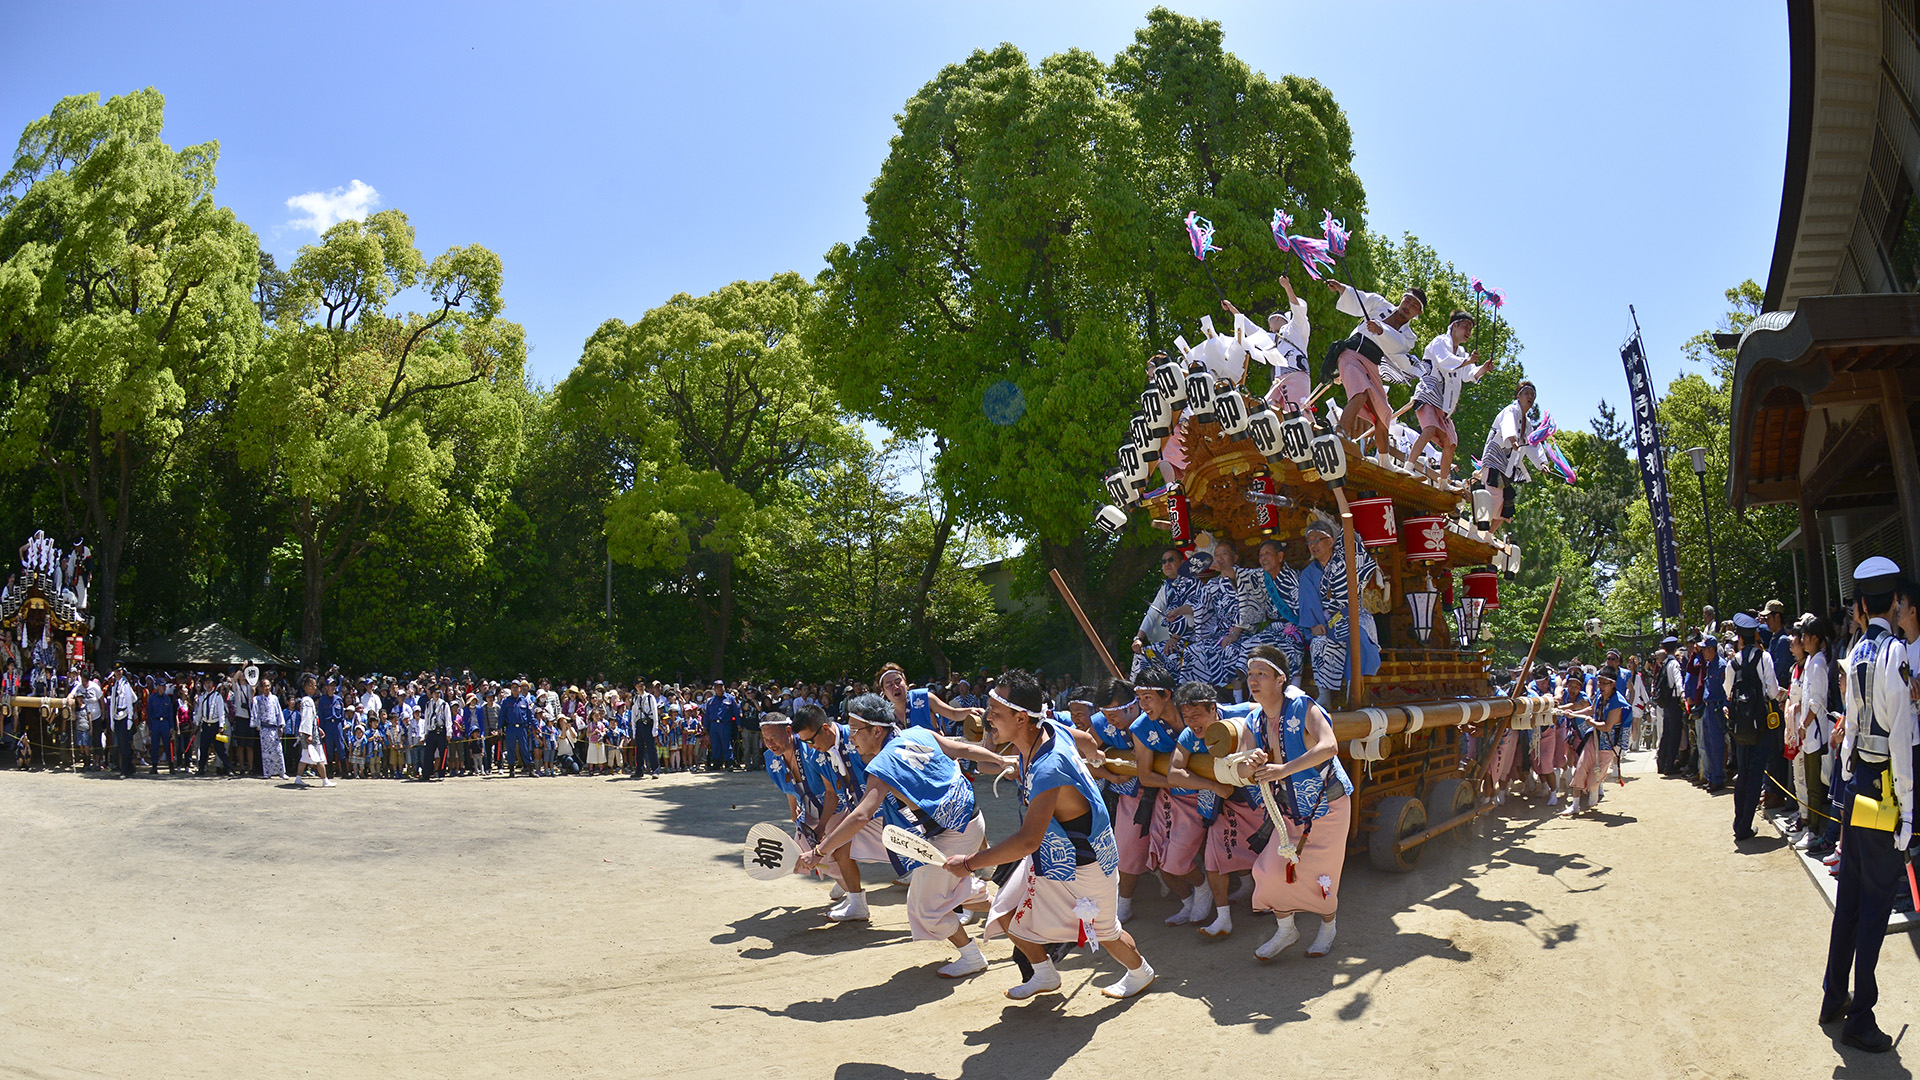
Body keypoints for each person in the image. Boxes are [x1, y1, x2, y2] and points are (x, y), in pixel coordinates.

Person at [962, 669, 1156, 1001]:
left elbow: (1027, 840)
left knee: (1105, 932)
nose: (987, 719)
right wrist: (1092, 754)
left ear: (1021, 717)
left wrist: (969, 863)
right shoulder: (1048, 729)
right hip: (1054, 858)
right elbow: (1085, 741)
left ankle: (1141, 972)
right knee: (1006, 913)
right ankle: (1045, 974)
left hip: (1086, 864)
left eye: (994, 713)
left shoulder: (1049, 767)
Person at [796, 694, 1004, 978]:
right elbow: (962, 750)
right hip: (969, 819)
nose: (852, 737)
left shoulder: (882, 765)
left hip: (951, 833)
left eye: (856, 730)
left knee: (924, 908)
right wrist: (1004, 760)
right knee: (948, 889)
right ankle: (1017, 914)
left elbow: (860, 815)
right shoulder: (917, 733)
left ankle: (973, 955)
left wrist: (819, 852)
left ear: (876, 730)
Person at [1821, 557, 1916, 1053]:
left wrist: (1845, 783)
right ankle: (1861, 1015)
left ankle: (1834, 995)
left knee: (1852, 898)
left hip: (1857, 785)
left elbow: (1850, 732)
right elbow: (1900, 737)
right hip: (1882, 791)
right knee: (1877, 903)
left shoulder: (1854, 652)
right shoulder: (1894, 653)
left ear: (1859, 607)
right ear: (1894, 603)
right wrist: (1909, 812)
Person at [1236, 643, 1351, 960]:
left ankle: (1328, 927)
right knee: (1268, 871)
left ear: (1280, 679)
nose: (1254, 680)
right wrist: (1253, 762)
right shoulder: (1253, 720)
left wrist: (1282, 769)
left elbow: (1329, 746)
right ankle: (1286, 929)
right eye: (1250, 674)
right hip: (1288, 813)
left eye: (1262, 673)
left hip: (1326, 807)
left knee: (1321, 878)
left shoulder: (1304, 706)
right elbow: (1243, 768)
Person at [1167, 681, 1265, 941]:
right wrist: (1212, 784)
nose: (1191, 722)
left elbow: (1271, 706)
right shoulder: (1189, 736)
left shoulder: (1243, 713)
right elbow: (1174, 773)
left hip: (1258, 800)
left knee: (1270, 856)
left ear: (1213, 708)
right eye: (1186, 717)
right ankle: (1223, 919)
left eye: (1196, 714)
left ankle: (1279, 905)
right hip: (1221, 803)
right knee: (1213, 859)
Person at [791, 704, 884, 919]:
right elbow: (831, 793)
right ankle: (857, 905)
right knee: (841, 852)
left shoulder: (858, 738)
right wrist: (822, 826)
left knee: (920, 857)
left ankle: (968, 897)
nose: (810, 747)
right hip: (859, 814)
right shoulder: (817, 758)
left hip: (886, 809)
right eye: (804, 743)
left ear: (825, 728)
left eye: (810, 741)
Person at [1321, 280, 1425, 460]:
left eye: (1415, 305)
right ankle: (1339, 434)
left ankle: (1384, 462)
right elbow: (1360, 298)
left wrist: (1381, 330)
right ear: (1402, 299)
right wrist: (1342, 288)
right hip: (1351, 354)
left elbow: (1398, 346)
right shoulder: (1380, 304)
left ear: (1418, 313)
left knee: (1384, 414)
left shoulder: (1409, 336)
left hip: (1371, 365)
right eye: (1407, 300)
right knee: (1360, 395)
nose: (1409, 306)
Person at [1295, 518, 1381, 707]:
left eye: (1317, 540)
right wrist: (1314, 626)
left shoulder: (1346, 561)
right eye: (1309, 542)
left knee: (1357, 637)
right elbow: (1309, 601)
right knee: (1319, 643)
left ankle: (1354, 687)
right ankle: (1324, 694)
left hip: (1354, 615)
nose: (1313, 545)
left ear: (1330, 542)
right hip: (1327, 623)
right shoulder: (1309, 573)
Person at [1406, 311, 1490, 486]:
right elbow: (1445, 361)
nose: (1468, 331)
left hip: (1445, 403)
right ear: (1455, 325)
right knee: (1429, 430)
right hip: (1429, 391)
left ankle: (1443, 482)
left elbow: (1469, 375)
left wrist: (1483, 368)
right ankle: (1408, 466)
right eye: (1465, 326)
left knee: (1450, 443)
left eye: (1470, 329)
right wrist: (1467, 361)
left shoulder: (1461, 352)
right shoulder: (1440, 341)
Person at [1723, 613, 1781, 841]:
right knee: (1756, 774)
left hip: (1739, 726)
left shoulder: (1733, 661)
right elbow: (1773, 691)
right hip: (1761, 724)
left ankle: (1739, 822)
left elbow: (1728, 690)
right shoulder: (1764, 657)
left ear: (1739, 637)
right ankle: (1745, 826)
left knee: (1743, 773)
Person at [1558, 667, 1629, 816]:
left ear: (1613, 684)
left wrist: (1592, 723)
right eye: (1600, 682)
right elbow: (1592, 709)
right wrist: (1574, 714)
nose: (1601, 686)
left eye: (1604, 683)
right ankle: (1575, 804)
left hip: (1607, 744)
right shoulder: (1599, 694)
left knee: (1594, 778)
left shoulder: (1617, 702)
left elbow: (1607, 726)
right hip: (1593, 738)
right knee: (1580, 767)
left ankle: (1594, 791)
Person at [1477, 380, 1538, 535]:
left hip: (1509, 465)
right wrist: (1512, 439)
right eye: (1526, 393)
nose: (1530, 396)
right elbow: (1508, 427)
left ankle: (1488, 535)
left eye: (1532, 394)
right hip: (1496, 458)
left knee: (1507, 504)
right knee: (1492, 498)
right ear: (1518, 396)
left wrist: (1542, 463)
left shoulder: (1528, 423)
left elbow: (1532, 444)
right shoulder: (1510, 410)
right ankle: (1476, 530)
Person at [1132, 548, 1201, 680]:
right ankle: (1138, 693)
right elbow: (1152, 613)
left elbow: (1192, 610)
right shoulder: (1166, 588)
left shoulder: (1192, 582)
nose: (1166, 564)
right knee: (1141, 655)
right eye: (1163, 561)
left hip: (1193, 638)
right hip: (1174, 641)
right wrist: (1138, 638)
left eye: (1171, 560)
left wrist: (1175, 638)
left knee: (1171, 654)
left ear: (1182, 562)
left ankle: (1176, 694)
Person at [292, 673, 335, 788]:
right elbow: (306, 719)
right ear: (308, 686)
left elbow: (310, 719)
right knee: (319, 757)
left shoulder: (307, 700)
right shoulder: (306, 701)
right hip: (310, 734)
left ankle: (298, 778)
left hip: (312, 731)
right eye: (314, 685)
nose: (315, 688)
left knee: (304, 757)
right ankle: (325, 780)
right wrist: (308, 734)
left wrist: (318, 728)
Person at [1653, 637, 1687, 775]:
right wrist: (1682, 693)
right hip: (1674, 701)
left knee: (1666, 733)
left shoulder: (1664, 663)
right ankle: (1670, 764)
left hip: (1666, 703)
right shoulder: (1674, 664)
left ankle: (1661, 763)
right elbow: (1678, 680)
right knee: (1674, 734)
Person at [253, 676, 289, 781]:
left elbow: (278, 713)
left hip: (274, 728)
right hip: (264, 728)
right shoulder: (257, 699)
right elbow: (256, 713)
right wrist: (257, 725)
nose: (267, 688)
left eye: (268, 686)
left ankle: (282, 772)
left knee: (278, 750)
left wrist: (280, 726)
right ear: (261, 687)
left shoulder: (274, 698)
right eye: (265, 686)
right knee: (265, 752)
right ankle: (267, 772)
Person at [703, 680, 740, 772]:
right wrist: (705, 726)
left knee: (726, 744)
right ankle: (717, 763)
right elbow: (707, 714)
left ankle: (729, 762)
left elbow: (736, 712)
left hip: (725, 724)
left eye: (721, 686)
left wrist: (739, 724)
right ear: (714, 689)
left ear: (724, 687)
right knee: (715, 744)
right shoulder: (711, 701)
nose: (719, 688)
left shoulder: (730, 698)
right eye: (717, 687)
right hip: (714, 725)